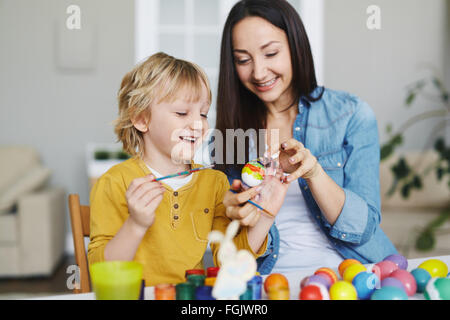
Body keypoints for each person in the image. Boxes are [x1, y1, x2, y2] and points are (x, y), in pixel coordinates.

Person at [214, 0, 398, 274]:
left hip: (352, 275)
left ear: (295, 46)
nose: (259, 72)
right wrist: (252, 213)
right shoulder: (228, 139)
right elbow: (229, 259)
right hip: (270, 281)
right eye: (243, 59)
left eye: (271, 53)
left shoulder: (350, 115)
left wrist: (314, 173)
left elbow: (364, 227)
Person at [88, 52, 268, 286]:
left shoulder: (214, 183)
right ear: (142, 119)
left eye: (203, 114)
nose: (198, 124)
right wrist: (136, 224)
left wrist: (266, 215)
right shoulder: (114, 182)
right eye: (182, 113)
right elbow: (101, 272)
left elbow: (229, 263)